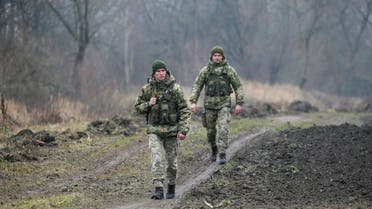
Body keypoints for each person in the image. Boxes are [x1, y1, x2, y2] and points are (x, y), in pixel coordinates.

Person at [135, 60, 191, 200]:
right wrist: (148, 104)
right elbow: (137, 107)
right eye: (158, 71)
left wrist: (183, 129)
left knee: (172, 163)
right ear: (153, 73)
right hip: (155, 130)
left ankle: (171, 185)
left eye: (163, 71)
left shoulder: (175, 89)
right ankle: (158, 188)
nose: (161, 73)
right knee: (157, 158)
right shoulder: (147, 89)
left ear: (166, 72)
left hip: (172, 130)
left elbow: (184, 109)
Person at [189, 46, 244, 164]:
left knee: (223, 127)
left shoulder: (229, 70)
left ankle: (222, 153)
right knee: (210, 132)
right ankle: (214, 148)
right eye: (215, 55)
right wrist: (193, 102)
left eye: (219, 55)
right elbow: (197, 86)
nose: (217, 58)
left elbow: (238, 87)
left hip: (224, 104)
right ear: (212, 57)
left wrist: (239, 103)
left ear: (223, 57)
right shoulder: (206, 71)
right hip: (209, 105)